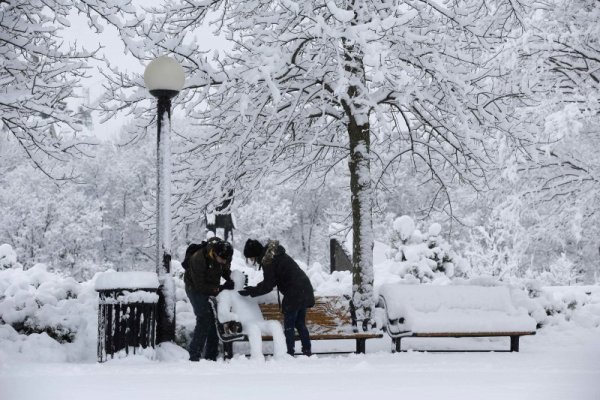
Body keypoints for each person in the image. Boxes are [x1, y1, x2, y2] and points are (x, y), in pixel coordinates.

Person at [239, 238, 315, 356]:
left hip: (294, 291)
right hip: (304, 288)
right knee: (300, 323)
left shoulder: (268, 260)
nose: (251, 261)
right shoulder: (275, 255)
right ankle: (307, 351)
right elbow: (271, 281)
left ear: (254, 255)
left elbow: (268, 285)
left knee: (289, 325)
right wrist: (254, 290)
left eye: (251, 258)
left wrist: (251, 291)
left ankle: (288, 353)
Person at [184, 238, 234, 361]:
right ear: (214, 254)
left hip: (211, 285)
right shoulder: (198, 259)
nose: (224, 262)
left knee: (213, 322)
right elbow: (200, 286)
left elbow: (225, 270)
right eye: (221, 260)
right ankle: (194, 355)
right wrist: (220, 288)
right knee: (204, 318)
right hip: (194, 288)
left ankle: (211, 356)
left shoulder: (225, 254)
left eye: (226, 260)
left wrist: (231, 279)